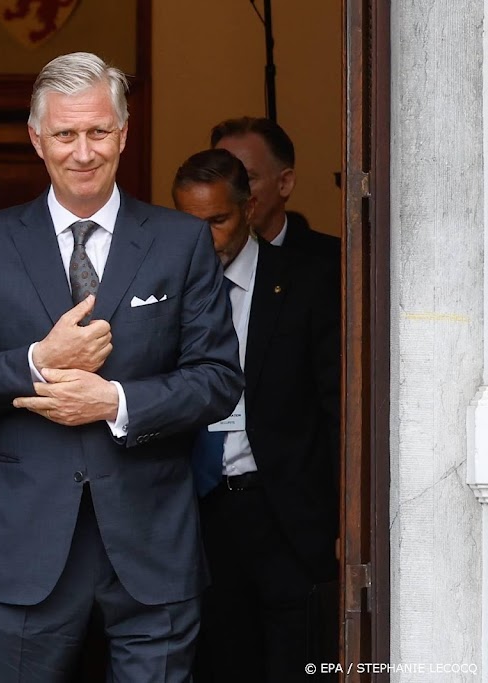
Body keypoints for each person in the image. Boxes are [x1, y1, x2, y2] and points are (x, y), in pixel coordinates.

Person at [0, 52, 243, 682]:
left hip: (152, 539)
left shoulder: (180, 241)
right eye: (65, 134)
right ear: (36, 138)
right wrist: (36, 362)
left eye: (98, 131)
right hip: (24, 542)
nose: (83, 152)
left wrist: (115, 403)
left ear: (123, 133)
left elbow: (218, 379)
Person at [172, 149, 340, 682]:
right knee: (219, 662)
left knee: (296, 664)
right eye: (190, 223)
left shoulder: (309, 281)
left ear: (248, 210)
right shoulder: (165, 288)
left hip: (284, 511)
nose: (204, 238)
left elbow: (337, 408)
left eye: (217, 220)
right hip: (198, 512)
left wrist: (343, 520)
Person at [210, 116, 340, 262]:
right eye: (217, 180)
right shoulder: (196, 262)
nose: (226, 194)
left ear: (285, 183)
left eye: (244, 180)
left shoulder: (336, 261)